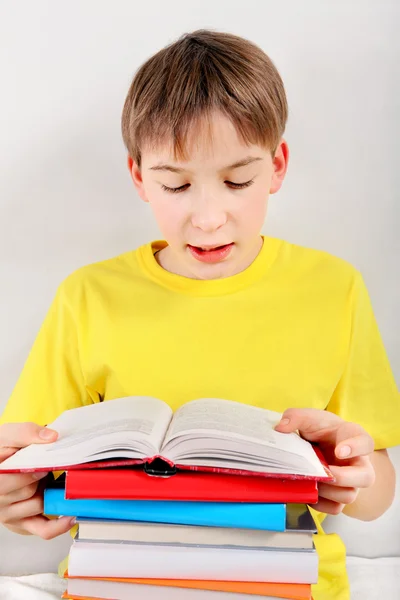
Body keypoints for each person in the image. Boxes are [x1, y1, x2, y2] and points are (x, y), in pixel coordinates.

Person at [0, 29, 399, 600]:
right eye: (177, 184)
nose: (209, 218)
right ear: (139, 176)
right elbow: (31, 470)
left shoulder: (334, 288)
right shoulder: (87, 296)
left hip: (287, 581)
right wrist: (14, 499)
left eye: (238, 181)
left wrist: (354, 477)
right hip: (117, 579)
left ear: (277, 166)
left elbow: (377, 491)